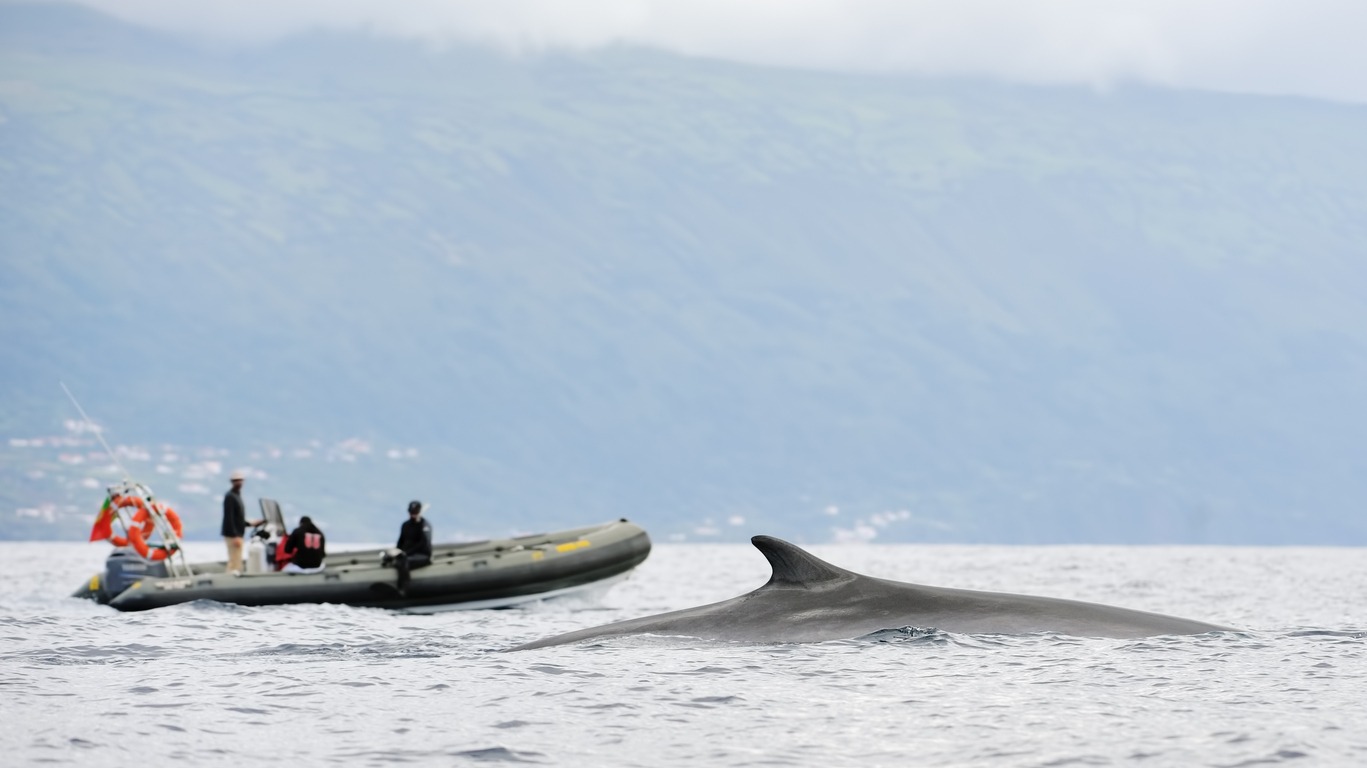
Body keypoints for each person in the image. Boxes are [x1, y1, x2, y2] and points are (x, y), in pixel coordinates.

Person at [221, 470, 264, 574]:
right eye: (236, 481)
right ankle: (231, 580)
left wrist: (250, 523)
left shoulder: (237, 495)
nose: (239, 483)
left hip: (238, 533)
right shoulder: (230, 496)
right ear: (232, 482)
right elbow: (229, 518)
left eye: (240, 480)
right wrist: (235, 535)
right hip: (233, 535)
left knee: (237, 559)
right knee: (234, 560)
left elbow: (238, 518)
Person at [388, 500, 432, 591]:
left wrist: (406, 553)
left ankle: (404, 589)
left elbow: (424, 544)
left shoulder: (424, 525)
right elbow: (400, 542)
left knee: (404, 561)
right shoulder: (405, 525)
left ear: (419, 512)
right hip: (407, 554)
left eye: (415, 512)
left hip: (422, 555)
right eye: (411, 512)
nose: (413, 515)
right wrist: (396, 552)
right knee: (395, 560)